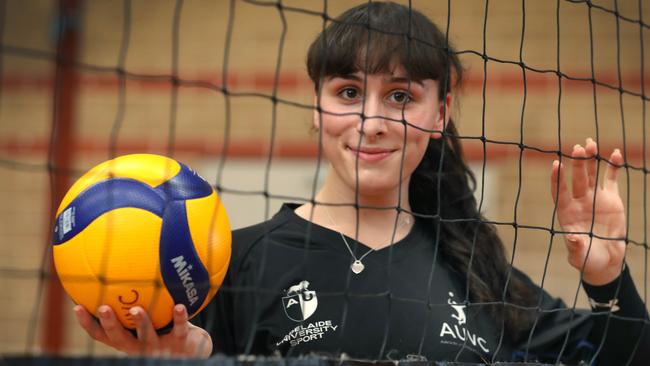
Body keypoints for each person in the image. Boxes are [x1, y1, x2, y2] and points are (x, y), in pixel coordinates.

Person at [74, 2, 649, 364]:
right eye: (349, 93)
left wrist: (607, 278)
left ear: (440, 113)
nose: (372, 122)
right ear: (318, 107)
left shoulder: (478, 269)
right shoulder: (233, 263)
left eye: (401, 96)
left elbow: (628, 355)